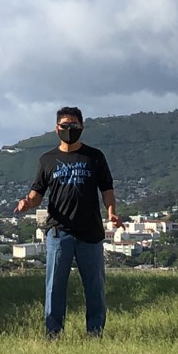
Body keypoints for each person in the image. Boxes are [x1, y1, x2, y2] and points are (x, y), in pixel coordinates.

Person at [15, 106, 123, 338]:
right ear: (57, 128)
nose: (69, 130)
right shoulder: (47, 160)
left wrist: (112, 212)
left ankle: (95, 333)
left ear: (81, 127)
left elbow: (107, 189)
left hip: (90, 233)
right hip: (59, 232)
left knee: (95, 288)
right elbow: (37, 193)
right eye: (65, 126)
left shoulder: (95, 157)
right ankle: (53, 334)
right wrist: (27, 203)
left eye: (74, 126)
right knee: (54, 287)